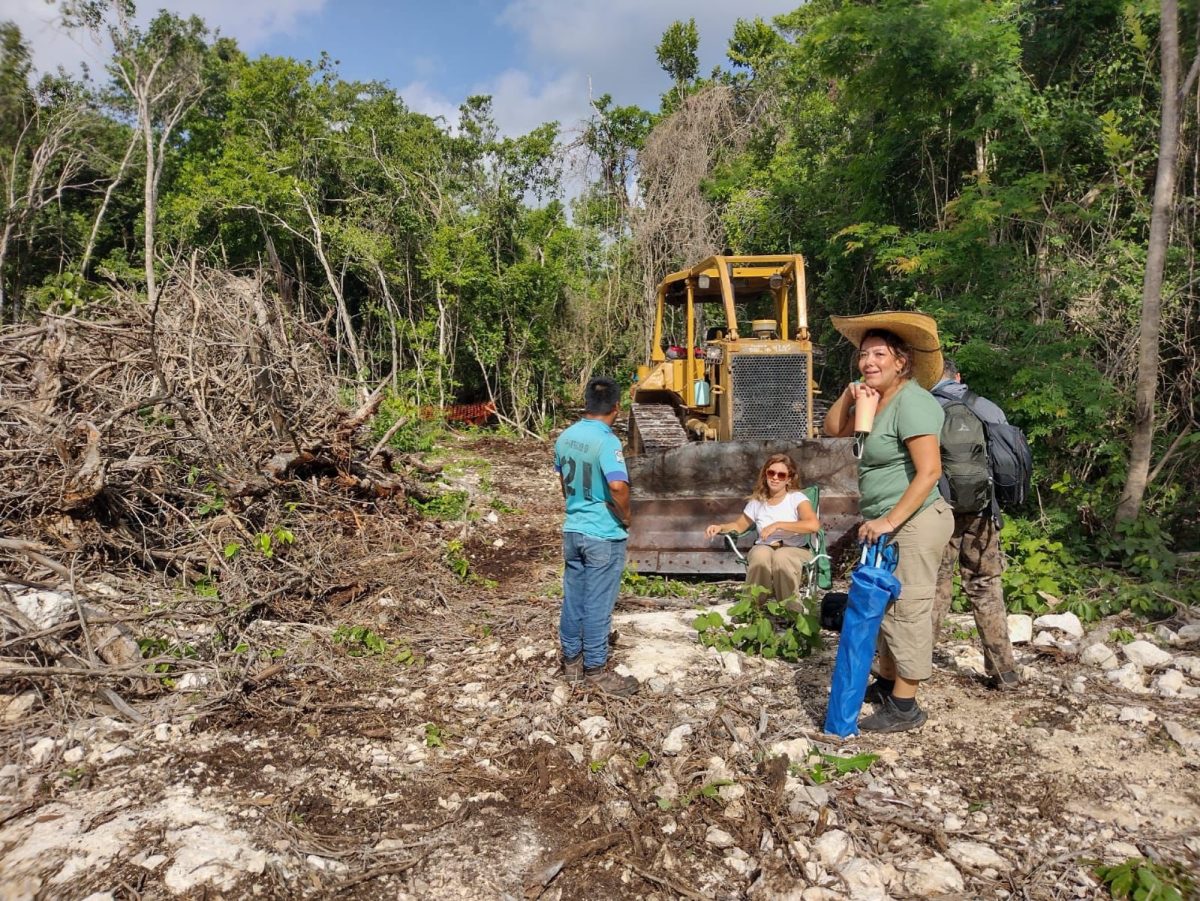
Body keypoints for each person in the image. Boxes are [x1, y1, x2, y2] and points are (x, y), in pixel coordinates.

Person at [823, 312, 954, 732]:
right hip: (888, 521)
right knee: (882, 606)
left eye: (880, 354)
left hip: (915, 520)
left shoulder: (913, 402)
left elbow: (929, 472)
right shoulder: (874, 401)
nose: (868, 362)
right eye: (864, 354)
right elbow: (832, 430)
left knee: (908, 608)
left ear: (902, 361)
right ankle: (886, 681)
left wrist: (888, 520)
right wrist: (849, 394)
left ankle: (905, 706)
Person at [930, 359, 1020, 689]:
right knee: (985, 585)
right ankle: (1004, 671)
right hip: (983, 512)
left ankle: (914, 667)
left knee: (934, 584)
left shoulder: (925, 407)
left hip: (938, 510)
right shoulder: (987, 408)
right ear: (958, 377)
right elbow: (1005, 463)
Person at [554, 376, 639, 696]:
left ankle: (572, 662)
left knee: (573, 598)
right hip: (603, 533)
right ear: (617, 406)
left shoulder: (565, 437)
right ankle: (596, 669)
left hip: (573, 529)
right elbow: (617, 485)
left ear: (586, 403)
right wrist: (626, 516)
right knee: (598, 604)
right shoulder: (608, 442)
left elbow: (563, 484)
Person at [704, 453, 821, 604]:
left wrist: (778, 525)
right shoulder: (757, 502)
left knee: (782, 556)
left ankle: (791, 609)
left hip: (795, 549)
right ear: (765, 474)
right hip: (765, 546)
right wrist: (720, 527)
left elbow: (813, 525)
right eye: (771, 473)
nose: (775, 478)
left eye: (781, 475)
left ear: (789, 479)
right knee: (760, 554)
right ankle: (751, 607)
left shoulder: (796, 498)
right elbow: (739, 526)